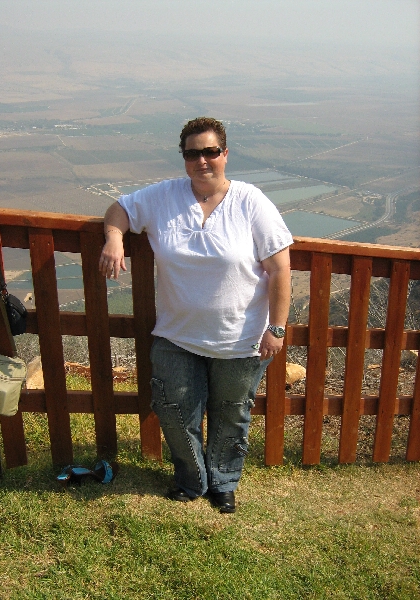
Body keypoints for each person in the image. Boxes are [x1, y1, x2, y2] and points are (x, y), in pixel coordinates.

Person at [99, 117, 292, 513]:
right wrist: (114, 238)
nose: (202, 160)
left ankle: (223, 483)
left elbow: (280, 269)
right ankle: (192, 479)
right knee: (174, 412)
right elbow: (119, 209)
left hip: (240, 340)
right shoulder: (164, 196)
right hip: (177, 336)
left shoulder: (251, 202)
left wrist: (276, 327)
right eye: (192, 154)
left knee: (231, 416)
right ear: (184, 158)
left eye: (210, 151)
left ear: (225, 154)